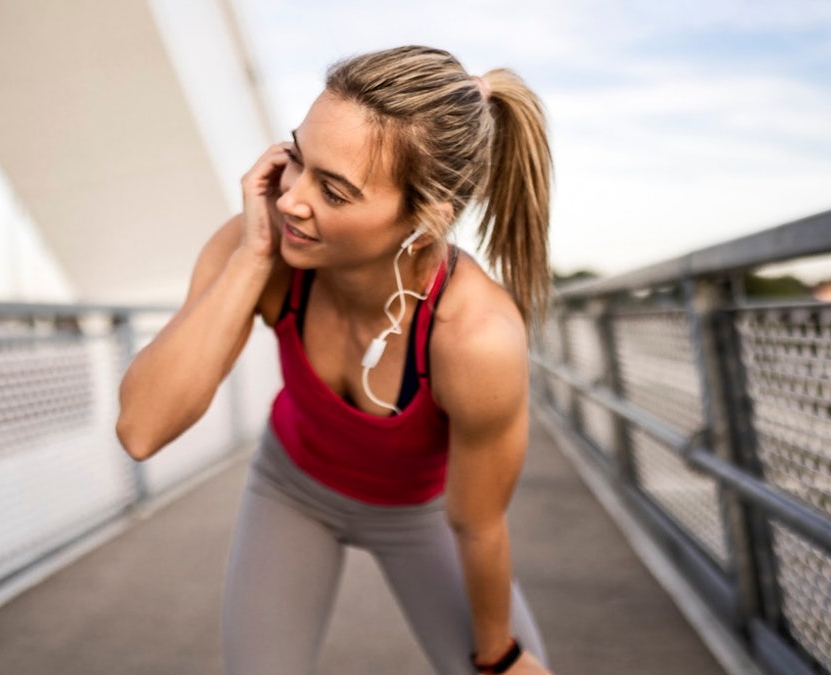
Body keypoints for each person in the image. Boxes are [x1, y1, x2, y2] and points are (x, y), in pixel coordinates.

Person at [116, 45, 553, 675]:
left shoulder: (474, 336)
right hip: (291, 487)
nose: (292, 198)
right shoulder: (265, 244)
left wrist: (499, 657)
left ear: (424, 223)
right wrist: (252, 256)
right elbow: (140, 428)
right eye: (297, 158)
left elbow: (480, 524)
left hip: (422, 515)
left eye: (335, 191)